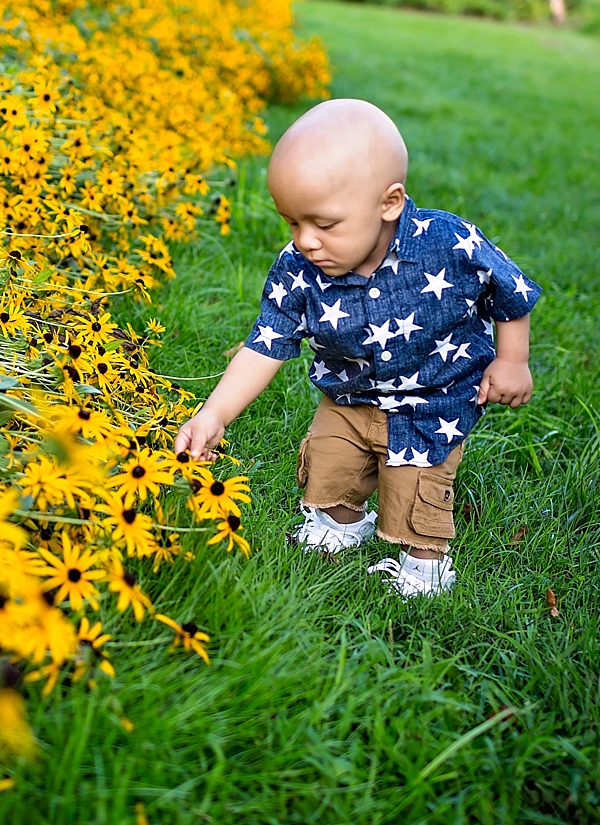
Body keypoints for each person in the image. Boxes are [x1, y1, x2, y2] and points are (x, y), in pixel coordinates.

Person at [173, 98, 541, 597]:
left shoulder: (447, 244)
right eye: (292, 223)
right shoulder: (299, 267)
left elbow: (510, 292)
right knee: (330, 466)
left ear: (389, 203)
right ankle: (340, 525)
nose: (305, 241)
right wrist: (215, 414)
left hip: (432, 403)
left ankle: (423, 566)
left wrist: (512, 360)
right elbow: (266, 344)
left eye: (323, 224)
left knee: (416, 491)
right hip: (348, 398)